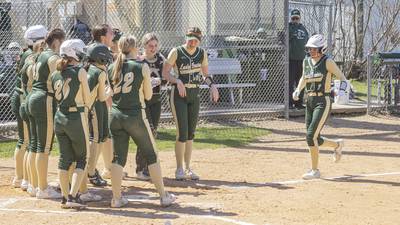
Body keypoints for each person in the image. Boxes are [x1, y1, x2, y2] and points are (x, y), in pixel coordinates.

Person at [108, 35, 175, 207]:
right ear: (134, 48)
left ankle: (116, 198)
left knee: (117, 158)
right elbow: (148, 96)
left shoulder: (112, 66)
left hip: (115, 116)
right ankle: (163, 196)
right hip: (135, 116)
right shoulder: (141, 66)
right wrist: (150, 82)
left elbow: (110, 93)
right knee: (152, 154)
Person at [162, 27, 219, 180]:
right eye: (190, 39)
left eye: (196, 39)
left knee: (190, 134)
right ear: (185, 38)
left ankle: (188, 168)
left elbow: (205, 74)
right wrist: (177, 80)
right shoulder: (177, 51)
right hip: (179, 94)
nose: (192, 42)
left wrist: (212, 85)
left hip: (194, 93)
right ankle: (179, 168)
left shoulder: (201, 53)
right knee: (182, 133)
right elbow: (165, 73)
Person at [292, 34, 345, 180]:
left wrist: (341, 93)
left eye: (315, 49)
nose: (312, 51)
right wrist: (298, 90)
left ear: (322, 49)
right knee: (315, 137)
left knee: (310, 136)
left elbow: (342, 78)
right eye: (310, 49)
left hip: (323, 100)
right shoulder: (306, 61)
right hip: (309, 101)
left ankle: (315, 170)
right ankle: (337, 145)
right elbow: (304, 77)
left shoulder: (327, 62)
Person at [27, 28, 65, 199]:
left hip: (32, 97)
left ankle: (34, 185)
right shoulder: (52, 56)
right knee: (44, 147)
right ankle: (42, 188)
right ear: (57, 42)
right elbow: (60, 79)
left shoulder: (40, 54)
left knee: (35, 145)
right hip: (44, 99)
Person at [52, 39, 90, 209]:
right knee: (82, 158)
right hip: (76, 117)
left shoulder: (55, 74)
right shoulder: (80, 71)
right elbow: (88, 100)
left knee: (64, 159)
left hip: (59, 117)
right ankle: (73, 197)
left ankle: (65, 196)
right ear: (73, 52)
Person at [18, 25, 48, 197]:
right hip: (34, 101)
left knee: (31, 144)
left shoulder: (27, 56)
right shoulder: (33, 57)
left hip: (27, 100)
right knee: (37, 145)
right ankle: (35, 183)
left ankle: (29, 181)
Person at [85, 24, 115, 185]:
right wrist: (110, 92)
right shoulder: (97, 52)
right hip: (95, 103)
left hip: (99, 101)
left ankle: (91, 169)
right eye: (110, 33)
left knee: (101, 137)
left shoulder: (99, 51)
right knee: (95, 138)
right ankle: (89, 170)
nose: (113, 35)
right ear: (103, 36)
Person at [134, 33, 166, 181]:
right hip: (143, 100)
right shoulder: (139, 60)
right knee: (146, 132)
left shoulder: (160, 59)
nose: (153, 49)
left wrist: (160, 80)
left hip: (156, 99)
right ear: (144, 46)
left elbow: (166, 77)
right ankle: (141, 168)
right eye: (150, 46)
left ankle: (147, 166)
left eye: (155, 46)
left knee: (153, 132)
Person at [11, 28, 36, 190]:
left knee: (24, 140)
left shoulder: (26, 52)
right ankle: (23, 178)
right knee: (26, 141)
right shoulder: (31, 55)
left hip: (19, 96)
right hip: (22, 97)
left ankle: (20, 177)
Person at [289, 9, 308, 110]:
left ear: (299, 18)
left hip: (301, 59)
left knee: (301, 81)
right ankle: (290, 103)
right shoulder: (289, 27)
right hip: (291, 59)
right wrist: (293, 27)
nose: (295, 20)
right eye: (293, 18)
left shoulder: (303, 28)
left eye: (297, 18)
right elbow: (285, 38)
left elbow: (308, 41)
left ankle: (298, 103)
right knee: (290, 82)